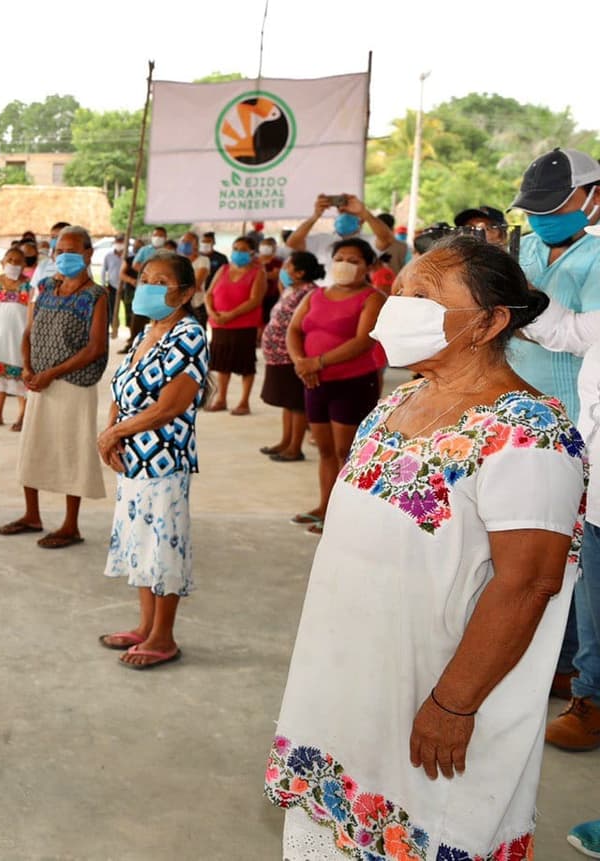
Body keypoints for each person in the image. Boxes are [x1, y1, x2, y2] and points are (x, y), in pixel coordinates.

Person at [267, 236, 580, 861]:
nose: (399, 306)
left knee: (423, 834)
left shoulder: (532, 431)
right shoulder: (397, 403)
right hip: (348, 684)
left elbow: (530, 583)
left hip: (437, 700)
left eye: (424, 296)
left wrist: (453, 703)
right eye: (401, 291)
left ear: (489, 322)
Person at [97, 251, 208, 669]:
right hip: (133, 459)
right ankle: (146, 625)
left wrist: (113, 434)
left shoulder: (189, 334)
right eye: (145, 277)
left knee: (163, 546)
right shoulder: (147, 330)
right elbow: (120, 390)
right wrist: (111, 432)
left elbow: (169, 407)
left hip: (164, 459)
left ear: (185, 291)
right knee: (140, 543)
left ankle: (164, 637)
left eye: (161, 281)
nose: (149, 286)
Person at [521, 289, 600, 753]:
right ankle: (590, 697)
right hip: (596, 493)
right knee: (592, 604)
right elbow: (566, 330)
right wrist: (518, 294)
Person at [0, 226, 108, 549]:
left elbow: (96, 347)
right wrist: (29, 368)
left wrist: (53, 373)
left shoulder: (95, 295)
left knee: (71, 450)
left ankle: (70, 525)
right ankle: (32, 515)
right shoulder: (45, 287)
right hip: (39, 382)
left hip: (74, 385)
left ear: (88, 255)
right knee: (34, 445)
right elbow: (29, 331)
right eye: (60, 251)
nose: (65, 257)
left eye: (73, 252)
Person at [286, 237, 385, 535]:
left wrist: (317, 362)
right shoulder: (315, 295)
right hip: (314, 381)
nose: (345, 265)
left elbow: (363, 340)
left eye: (354, 260)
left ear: (368, 266)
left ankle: (344, 514)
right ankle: (325, 505)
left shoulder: (372, 297)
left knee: (347, 450)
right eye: (340, 257)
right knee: (326, 449)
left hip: (352, 382)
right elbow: (293, 329)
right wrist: (301, 362)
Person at [507, 148, 600, 422]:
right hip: (513, 411)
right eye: (533, 209)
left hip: (574, 416)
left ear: (596, 196)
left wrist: (512, 314)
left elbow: (584, 335)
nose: (542, 218)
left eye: (553, 206)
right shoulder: (521, 248)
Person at [259, 252, 322, 463]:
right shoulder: (291, 290)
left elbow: (303, 327)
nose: (283, 271)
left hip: (292, 356)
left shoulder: (309, 292)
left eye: (288, 267)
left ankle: (295, 447)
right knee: (286, 402)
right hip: (278, 356)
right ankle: (285, 441)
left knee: (296, 404)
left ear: (300, 272)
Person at [204, 235, 266, 415]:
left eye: (243, 250)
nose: (238, 253)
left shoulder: (257, 272)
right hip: (219, 324)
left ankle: (244, 402)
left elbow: (255, 300)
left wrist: (231, 315)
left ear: (252, 252)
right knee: (222, 363)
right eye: (236, 248)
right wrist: (212, 312)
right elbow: (209, 293)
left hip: (243, 325)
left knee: (245, 363)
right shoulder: (223, 269)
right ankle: (221, 398)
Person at [0, 246, 33, 431]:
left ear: (24, 264)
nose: (13, 264)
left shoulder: (30, 286)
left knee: (21, 376)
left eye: (18, 261)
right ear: (2, 262)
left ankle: (23, 416)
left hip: (19, 338)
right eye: (9, 260)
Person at [285, 193, 395, 269]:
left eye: (350, 213)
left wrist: (365, 213)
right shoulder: (322, 240)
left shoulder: (368, 242)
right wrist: (315, 216)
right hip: (324, 296)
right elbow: (292, 243)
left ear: (361, 220)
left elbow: (387, 240)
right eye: (341, 212)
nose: (344, 215)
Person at [31, 221, 71, 287]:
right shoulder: (43, 264)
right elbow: (33, 290)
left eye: (58, 237)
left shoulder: (77, 264)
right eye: (53, 237)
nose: (55, 240)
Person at [102, 233, 126, 338]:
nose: (119, 244)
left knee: (128, 308)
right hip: (112, 285)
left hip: (126, 286)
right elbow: (104, 270)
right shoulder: (109, 256)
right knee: (112, 309)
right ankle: (114, 328)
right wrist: (104, 284)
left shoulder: (128, 255)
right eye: (118, 242)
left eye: (122, 242)